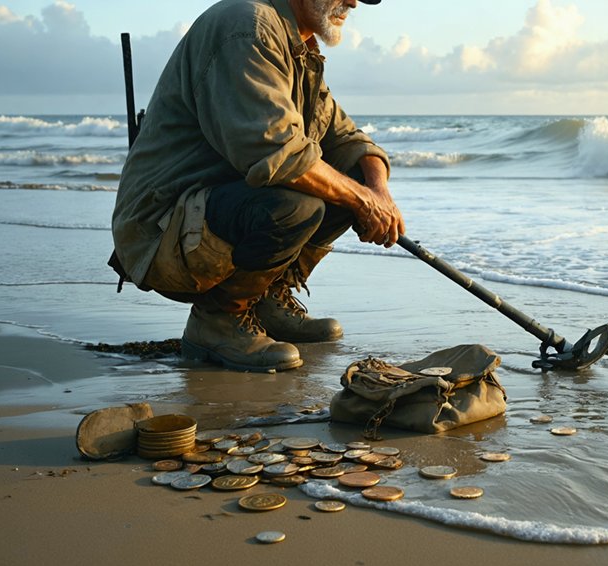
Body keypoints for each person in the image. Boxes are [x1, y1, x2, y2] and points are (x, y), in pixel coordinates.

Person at [111, 0, 403, 372]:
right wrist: (363, 201)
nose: (354, 1)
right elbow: (276, 153)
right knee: (296, 205)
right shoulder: (247, 27)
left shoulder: (298, 48)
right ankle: (217, 321)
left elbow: (348, 139)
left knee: (353, 178)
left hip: (211, 212)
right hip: (162, 229)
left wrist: (378, 193)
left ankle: (266, 298)